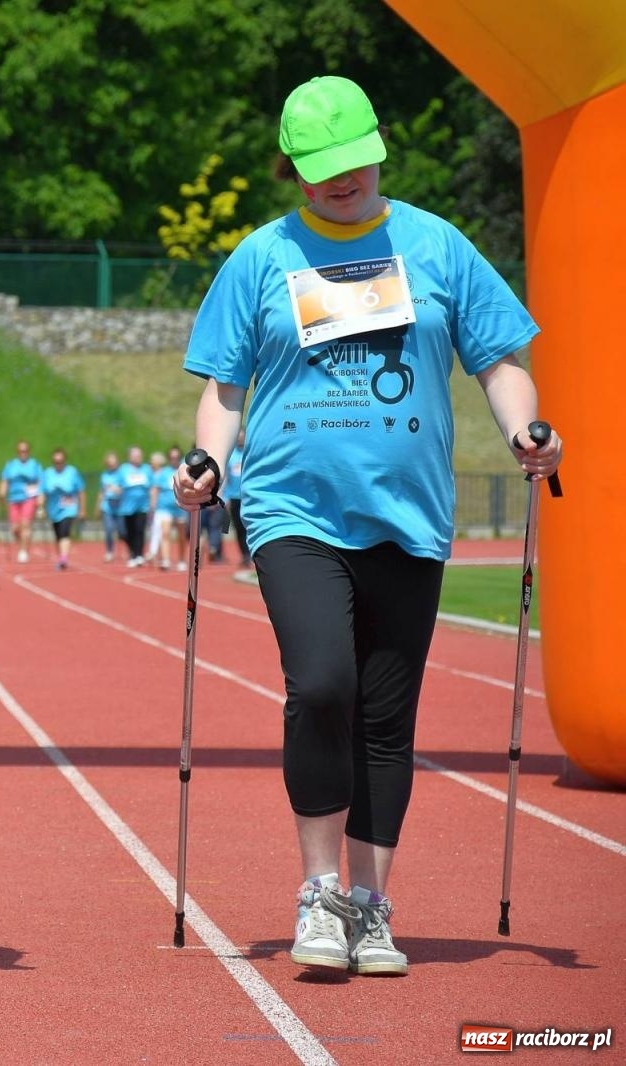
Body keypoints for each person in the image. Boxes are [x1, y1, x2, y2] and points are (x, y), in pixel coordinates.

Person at [173, 75, 561, 978]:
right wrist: (210, 461)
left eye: (352, 162)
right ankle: (319, 892)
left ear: (379, 150)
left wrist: (523, 431)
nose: (339, 181)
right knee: (321, 684)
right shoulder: (261, 258)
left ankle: (372, 905)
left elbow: (499, 361)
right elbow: (224, 389)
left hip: (409, 515)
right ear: (293, 170)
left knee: (387, 719)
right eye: (319, 168)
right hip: (291, 507)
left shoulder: (439, 245)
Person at [0, 440, 44, 563]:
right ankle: (24, 543)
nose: (23, 453)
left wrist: (41, 497)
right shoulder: (11, 465)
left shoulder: (35, 465)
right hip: (14, 498)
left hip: (29, 498)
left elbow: (41, 482)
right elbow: (5, 480)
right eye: (20, 451)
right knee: (15, 529)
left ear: (28, 451)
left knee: (25, 524)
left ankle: (23, 551)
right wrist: (2, 493)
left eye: (25, 451)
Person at [41, 448, 86, 570]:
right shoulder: (48, 473)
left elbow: (81, 491)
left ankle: (63, 559)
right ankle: (62, 556)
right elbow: (43, 492)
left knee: (65, 531)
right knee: (58, 535)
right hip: (54, 510)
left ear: (65, 461)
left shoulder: (72, 472)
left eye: (60, 461)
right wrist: (41, 507)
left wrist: (82, 509)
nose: (58, 464)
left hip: (69, 508)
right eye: (56, 462)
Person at [114, 445, 151, 567]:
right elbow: (118, 485)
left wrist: (152, 503)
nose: (138, 458)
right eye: (135, 455)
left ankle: (138, 555)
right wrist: (115, 490)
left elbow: (152, 486)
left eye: (139, 455)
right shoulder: (123, 469)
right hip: (127, 507)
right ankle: (132, 552)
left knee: (139, 530)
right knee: (127, 532)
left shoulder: (146, 469)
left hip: (143, 505)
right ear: (130, 457)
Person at [221, 428, 250, 566]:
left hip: (248, 496)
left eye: (242, 437)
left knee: (249, 527)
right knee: (238, 527)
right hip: (233, 497)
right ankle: (244, 554)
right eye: (238, 437)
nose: (240, 439)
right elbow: (226, 476)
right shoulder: (232, 456)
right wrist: (224, 495)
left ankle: (251, 552)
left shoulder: (250, 453)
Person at [96, 450, 121, 562]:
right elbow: (101, 492)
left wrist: (118, 490)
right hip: (107, 507)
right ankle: (109, 551)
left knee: (123, 531)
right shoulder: (104, 475)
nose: (112, 465)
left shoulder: (122, 474)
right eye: (110, 463)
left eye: (114, 463)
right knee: (109, 530)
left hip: (120, 506)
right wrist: (98, 507)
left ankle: (132, 550)